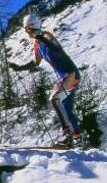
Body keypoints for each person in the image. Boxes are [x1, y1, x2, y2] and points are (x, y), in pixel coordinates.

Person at [8, 13, 82, 148]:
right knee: (66, 108)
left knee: (54, 99)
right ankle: (78, 138)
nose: (26, 31)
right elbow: (36, 63)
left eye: (27, 28)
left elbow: (57, 50)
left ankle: (67, 136)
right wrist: (19, 68)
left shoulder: (47, 36)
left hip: (70, 74)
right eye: (25, 29)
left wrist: (41, 38)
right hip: (64, 77)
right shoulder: (37, 45)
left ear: (33, 26)